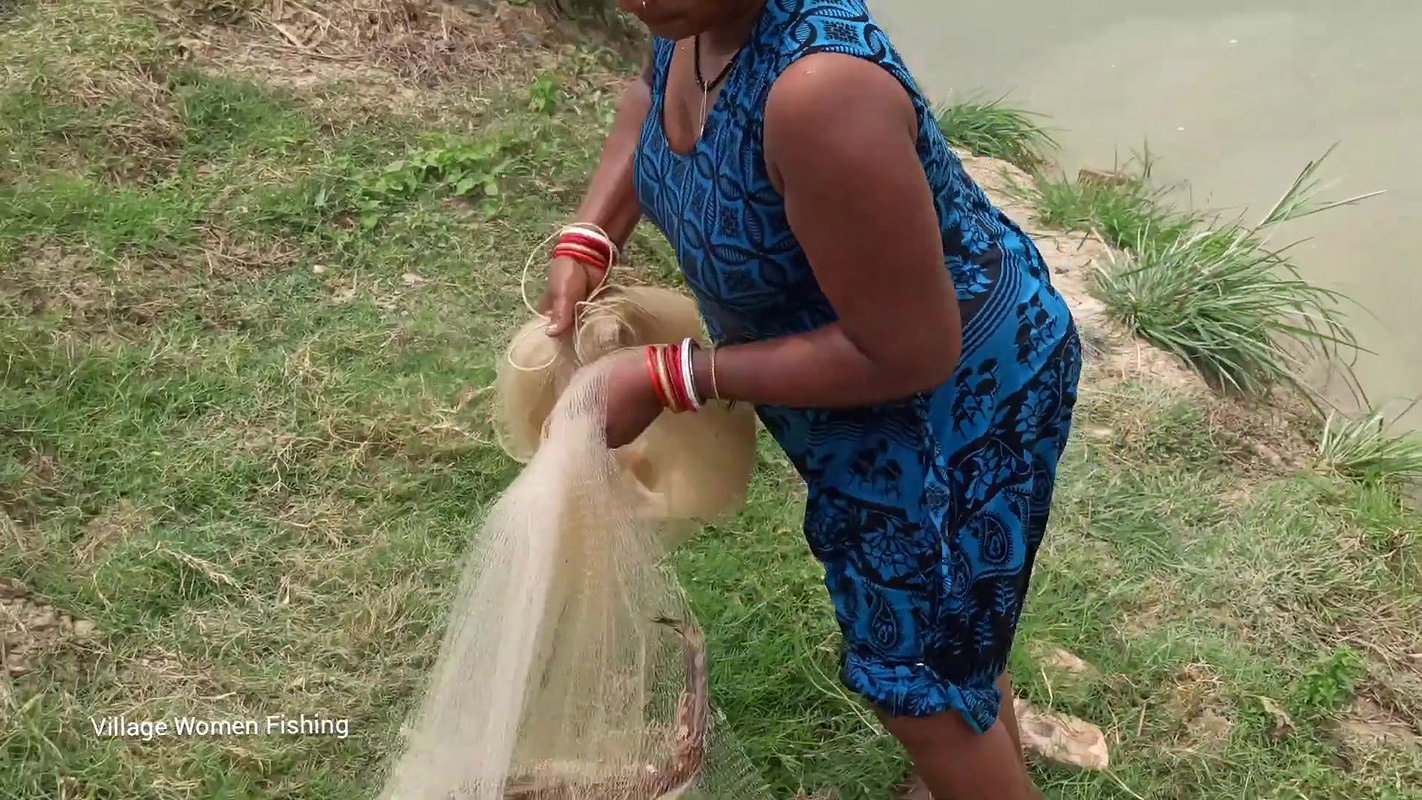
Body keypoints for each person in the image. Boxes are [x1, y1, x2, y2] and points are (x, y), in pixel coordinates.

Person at [538, 1, 1081, 797]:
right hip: (847, 381)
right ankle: (978, 742)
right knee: (949, 631)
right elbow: (646, 104)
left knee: (918, 681)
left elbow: (910, 350)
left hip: (954, 403)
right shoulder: (694, 21)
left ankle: (970, 761)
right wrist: (591, 233)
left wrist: (672, 376)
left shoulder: (821, 92)